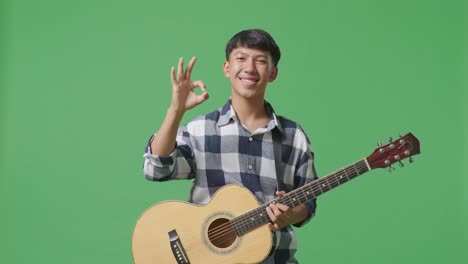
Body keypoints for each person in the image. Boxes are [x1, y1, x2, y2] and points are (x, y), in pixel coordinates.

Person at [143, 29, 318, 263]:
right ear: (227, 68)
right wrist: (175, 111)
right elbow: (156, 169)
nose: (250, 68)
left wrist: (290, 215)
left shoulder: (293, 135)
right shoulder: (202, 129)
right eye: (241, 58)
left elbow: (308, 200)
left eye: (261, 61)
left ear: (273, 73)